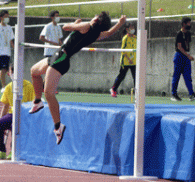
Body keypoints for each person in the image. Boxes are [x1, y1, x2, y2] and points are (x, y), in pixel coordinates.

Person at [30, 12, 126, 145]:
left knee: (49, 93)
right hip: (58, 55)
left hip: (61, 58)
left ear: (96, 19)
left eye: (94, 16)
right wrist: (120, 24)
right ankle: (37, 101)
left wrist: (75, 24)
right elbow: (109, 33)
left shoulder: (86, 26)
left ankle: (58, 127)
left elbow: (65, 27)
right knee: (34, 71)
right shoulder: (96, 34)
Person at [0, 64, 35, 160]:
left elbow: (33, 102)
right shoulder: (8, 87)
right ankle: (1, 151)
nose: (15, 74)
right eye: (13, 72)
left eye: (17, 72)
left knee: (15, 126)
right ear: (9, 74)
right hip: (12, 114)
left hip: (24, 115)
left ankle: (14, 151)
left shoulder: (28, 86)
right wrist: (1, 119)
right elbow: (5, 106)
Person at [171, 17, 195, 102]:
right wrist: (188, 55)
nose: (189, 25)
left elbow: (187, 45)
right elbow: (179, 47)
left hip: (186, 57)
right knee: (176, 76)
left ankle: (191, 94)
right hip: (179, 56)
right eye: (188, 23)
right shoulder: (179, 34)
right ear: (184, 24)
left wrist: (188, 55)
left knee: (188, 76)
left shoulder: (188, 34)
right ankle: (173, 94)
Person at [110, 22, 136, 97]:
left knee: (136, 77)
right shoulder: (125, 38)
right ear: (127, 29)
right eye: (131, 28)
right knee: (122, 76)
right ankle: (113, 89)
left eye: (133, 28)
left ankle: (137, 93)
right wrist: (128, 59)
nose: (133, 29)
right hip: (126, 61)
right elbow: (123, 50)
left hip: (134, 61)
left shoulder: (135, 38)